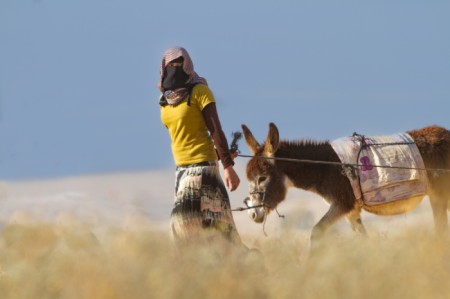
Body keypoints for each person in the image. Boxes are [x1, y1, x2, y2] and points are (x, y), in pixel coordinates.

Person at [158, 47, 244, 247]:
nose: (175, 68)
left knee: (187, 228)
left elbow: (215, 131)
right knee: (208, 236)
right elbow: (188, 139)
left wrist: (228, 166)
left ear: (187, 65)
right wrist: (220, 155)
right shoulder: (164, 101)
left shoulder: (200, 91)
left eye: (179, 64)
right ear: (163, 68)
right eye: (171, 65)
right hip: (181, 173)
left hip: (203, 171)